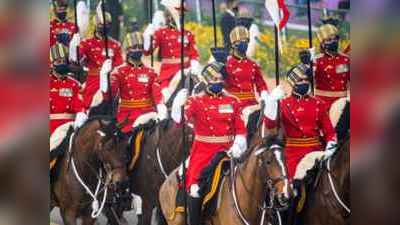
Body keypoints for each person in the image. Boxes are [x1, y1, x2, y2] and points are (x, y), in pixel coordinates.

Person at [171, 62, 247, 225]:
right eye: (214, 78)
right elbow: (179, 121)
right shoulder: (196, 101)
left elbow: (241, 129)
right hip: (203, 153)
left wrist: (238, 144)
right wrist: (177, 105)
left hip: (228, 151)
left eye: (220, 78)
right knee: (195, 189)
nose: (218, 81)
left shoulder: (233, 101)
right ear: (206, 81)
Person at [263, 64, 337, 181]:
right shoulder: (283, 104)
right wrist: (272, 103)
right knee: (293, 191)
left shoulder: (318, 103)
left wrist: (331, 146)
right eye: (300, 80)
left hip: (316, 151)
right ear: (293, 82)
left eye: (306, 79)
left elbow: (329, 132)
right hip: (293, 154)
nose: (304, 82)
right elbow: (270, 125)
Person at [99, 31, 167, 133]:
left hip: (148, 114)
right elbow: (109, 95)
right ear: (127, 50)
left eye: (140, 47)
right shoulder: (119, 72)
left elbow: (157, 93)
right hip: (128, 117)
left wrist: (161, 107)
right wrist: (104, 76)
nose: (138, 50)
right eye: (134, 47)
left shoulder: (150, 72)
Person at [143, 0, 202, 104]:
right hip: (167, 73)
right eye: (179, 12)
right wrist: (147, 37)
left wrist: (194, 66)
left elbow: (194, 54)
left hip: (186, 70)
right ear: (170, 15)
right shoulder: (161, 33)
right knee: (164, 99)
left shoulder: (188, 34)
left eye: (183, 12)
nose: (182, 14)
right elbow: (148, 52)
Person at [69, 11, 123, 110]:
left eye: (106, 24)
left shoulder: (115, 45)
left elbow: (119, 66)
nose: (103, 26)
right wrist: (74, 47)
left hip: (110, 81)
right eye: (100, 23)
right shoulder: (87, 43)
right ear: (95, 24)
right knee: (89, 108)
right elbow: (76, 60)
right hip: (94, 81)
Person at [49, 43, 88, 167]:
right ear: (52, 63)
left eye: (64, 60)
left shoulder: (74, 84)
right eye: (58, 61)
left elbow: (80, 105)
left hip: (70, 127)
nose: (62, 63)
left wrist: (81, 115)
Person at [224, 22, 269, 125]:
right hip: (232, 103)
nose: (245, 44)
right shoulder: (227, 64)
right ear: (234, 44)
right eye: (241, 41)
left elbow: (261, 84)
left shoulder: (252, 64)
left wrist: (264, 94)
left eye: (246, 41)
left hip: (251, 103)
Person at [305, 24, 350, 110]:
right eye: (329, 40)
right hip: (322, 102)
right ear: (322, 43)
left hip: (342, 103)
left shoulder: (346, 60)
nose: (333, 41)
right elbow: (306, 80)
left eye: (335, 38)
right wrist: (308, 69)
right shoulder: (316, 60)